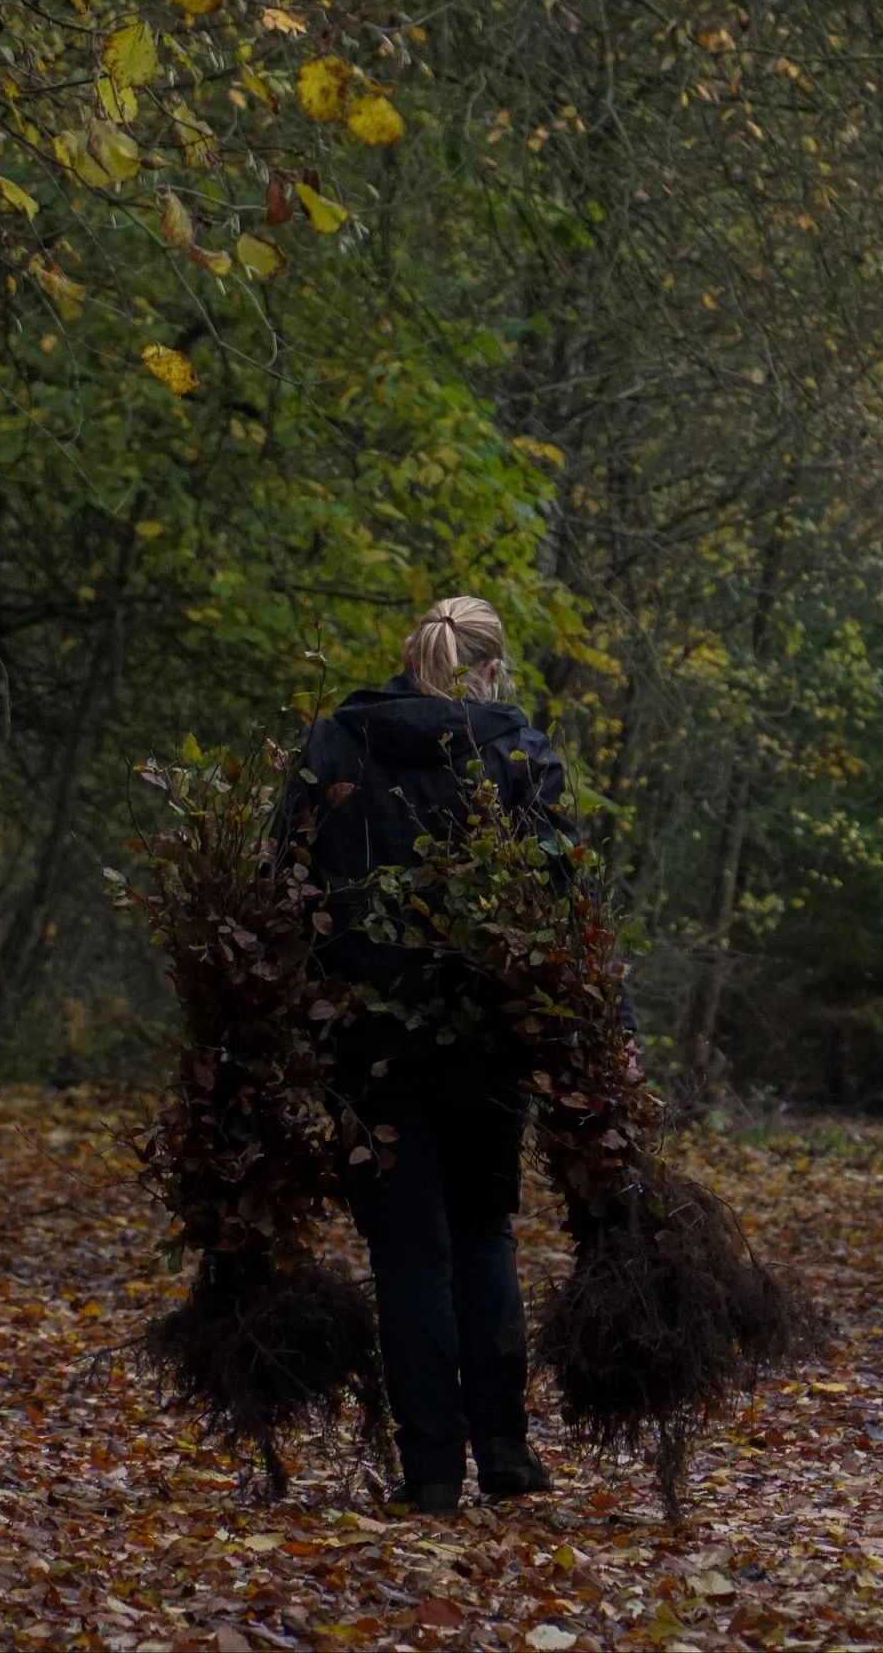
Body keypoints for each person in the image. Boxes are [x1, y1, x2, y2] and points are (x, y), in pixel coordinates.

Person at [288, 595, 565, 1514]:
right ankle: (506, 1450)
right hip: (486, 1041)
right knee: (483, 1236)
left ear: (410, 657)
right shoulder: (518, 754)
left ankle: (433, 1473)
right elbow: (567, 901)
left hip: (368, 1047)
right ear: (492, 666)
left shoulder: (333, 746)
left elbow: (283, 886)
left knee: (409, 1254)